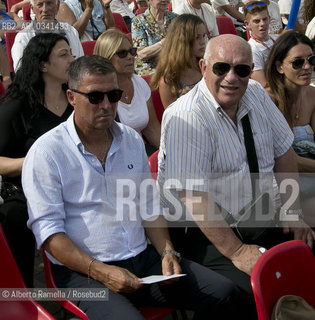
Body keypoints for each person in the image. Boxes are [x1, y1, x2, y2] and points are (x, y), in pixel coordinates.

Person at [22, 54, 251, 320]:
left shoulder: (130, 139)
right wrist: (102, 272)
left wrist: (166, 250)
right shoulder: (47, 152)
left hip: (143, 259)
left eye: (114, 95)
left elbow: (149, 207)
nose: (107, 105)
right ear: (72, 97)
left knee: (226, 294)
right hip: (83, 274)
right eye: (95, 97)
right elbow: (49, 235)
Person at [157, 34, 315, 302]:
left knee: (306, 257)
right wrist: (238, 252)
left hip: (260, 213)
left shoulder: (254, 93)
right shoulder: (186, 117)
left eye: (242, 69)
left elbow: (284, 152)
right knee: (255, 292)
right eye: (221, 68)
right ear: (204, 68)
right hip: (207, 231)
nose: (232, 77)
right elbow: (193, 198)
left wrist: (292, 210)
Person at [0, 33, 75, 288]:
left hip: (76, 182)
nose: (72, 60)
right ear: (43, 64)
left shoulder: (78, 97)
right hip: (31, 189)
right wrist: (37, 160)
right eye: (63, 55)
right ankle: (22, 294)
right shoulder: (18, 106)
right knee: (14, 213)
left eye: (71, 53)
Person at [264, 31, 315, 224]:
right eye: (298, 62)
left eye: (311, 59)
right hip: (284, 183)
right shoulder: (268, 101)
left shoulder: (311, 94)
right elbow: (285, 159)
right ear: (279, 67)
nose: (307, 67)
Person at [93, 29, 161, 154]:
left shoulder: (139, 83)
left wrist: (167, 154)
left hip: (140, 154)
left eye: (132, 51)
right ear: (106, 58)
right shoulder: (97, 95)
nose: (130, 57)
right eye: (122, 53)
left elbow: (152, 129)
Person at [151, 14, 207, 108]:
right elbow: (171, 118)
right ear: (182, 41)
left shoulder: (206, 66)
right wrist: (182, 103)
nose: (203, 42)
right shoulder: (168, 80)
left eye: (204, 36)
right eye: (197, 37)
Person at [12, 0, 83, 71]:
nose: (45, 9)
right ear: (32, 8)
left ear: (57, 6)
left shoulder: (71, 32)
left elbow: (80, 65)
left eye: (49, 3)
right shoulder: (23, 38)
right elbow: (22, 75)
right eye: (40, 4)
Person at [131, 0, 177, 76]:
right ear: (148, 1)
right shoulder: (138, 21)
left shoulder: (175, 18)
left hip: (173, 63)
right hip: (150, 67)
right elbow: (142, 54)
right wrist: (165, 42)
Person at [244, 0, 278, 87]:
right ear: (247, 24)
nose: (262, 24)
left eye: (265, 19)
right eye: (256, 21)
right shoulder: (251, 48)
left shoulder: (277, 39)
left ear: (269, 19)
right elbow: (263, 86)